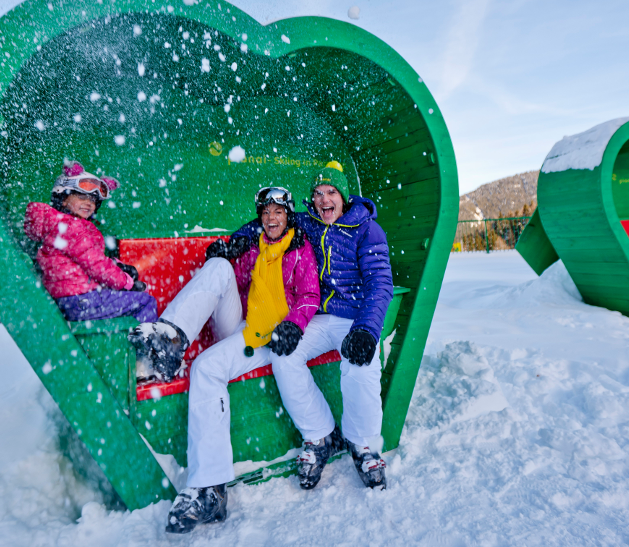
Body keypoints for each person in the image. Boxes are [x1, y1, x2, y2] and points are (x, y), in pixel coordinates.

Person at [128, 187, 320, 534]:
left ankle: (209, 489)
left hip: (275, 338)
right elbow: (234, 280)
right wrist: (228, 251)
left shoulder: (300, 247)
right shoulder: (255, 244)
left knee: (205, 367)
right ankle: (169, 339)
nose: (271, 218)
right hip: (246, 326)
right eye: (266, 212)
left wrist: (294, 325)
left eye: (278, 212)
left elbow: (309, 296)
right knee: (218, 267)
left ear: (289, 215)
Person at [230, 161, 393, 490]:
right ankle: (320, 436)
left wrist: (366, 329)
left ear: (343, 197)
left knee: (360, 365)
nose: (324, 199)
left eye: (331, 192)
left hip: (355, 317)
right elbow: (267, 225)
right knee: (283, 354)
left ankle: (363, 445)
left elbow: (380, 284)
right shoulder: (307, 223)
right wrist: (237, 241)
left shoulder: (367, 230)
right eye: (318, 193)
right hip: (317, 316)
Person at [24, 161, 158, 326]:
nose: (89, 203)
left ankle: (129, 338)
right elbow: (96, 266)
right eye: (81, 197)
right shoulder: (71, 227)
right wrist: (126, 283)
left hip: (70, 299)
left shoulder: (60, 225)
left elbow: (85, 259)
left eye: (93, 200)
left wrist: (115, 265)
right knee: (145, 302)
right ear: (63, 199)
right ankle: (146, 342)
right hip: (80, 299)